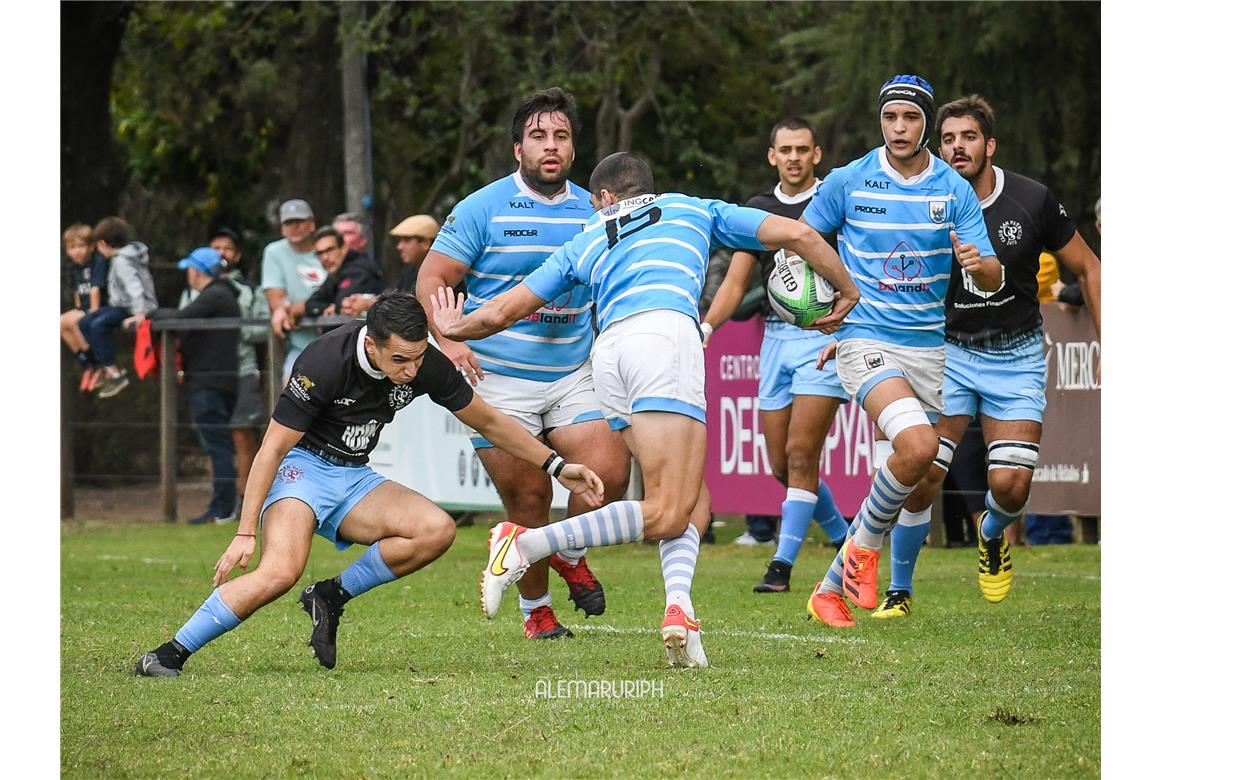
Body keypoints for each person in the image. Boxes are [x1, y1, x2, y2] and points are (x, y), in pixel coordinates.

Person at [434, 151, 858, 667]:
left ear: (605, 199)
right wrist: (848, 288)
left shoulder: (587, 237)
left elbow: (503, 309)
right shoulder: (693, 208)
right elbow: (801, 236)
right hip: (663, 337)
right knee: (666, 511)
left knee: (690, 502)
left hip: (609, 356)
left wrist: (452, 328)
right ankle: (525, 545)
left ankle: (679, 611)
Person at [134, 292, 605, 677]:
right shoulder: (323, 361)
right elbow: (272, 450)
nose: (411, 370)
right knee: (280, 571)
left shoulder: (422, 362)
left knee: (435, 529)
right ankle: (168, 653)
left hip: (354, 475)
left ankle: (330, 596)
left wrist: (556, 466)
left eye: (418, 357)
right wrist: (243, 533)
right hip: (302, 469)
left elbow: (491, 421)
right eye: (401, 359)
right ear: (372, 344)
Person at [862, 94, 1103, 618]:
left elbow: (1089, 268)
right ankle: (899, 592)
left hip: (1014, 354)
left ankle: (991, 533)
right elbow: (881, 271)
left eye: (968, 137)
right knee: (922, 470)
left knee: (1010, 486)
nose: (956, 147)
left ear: (989, 145)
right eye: (947, 138)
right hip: (943, 352)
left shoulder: (1031, 200)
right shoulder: (918, 199)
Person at [415, 87, 631, 641]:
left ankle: (569, 553)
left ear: (574, 149)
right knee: (530, 500)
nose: (550, 146)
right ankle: (536, 611)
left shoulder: (595, 208)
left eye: (560, 136)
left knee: (608, 475)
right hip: (496, 380)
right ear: (518, 149)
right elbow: (432, 279)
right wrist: (451, 339)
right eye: (538, 136)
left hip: (571, 373)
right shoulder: (481, 207)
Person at [801, 75, 1003, 628]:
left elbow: (989, 275)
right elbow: (802, 243)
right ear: (880, 120)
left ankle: (833, 586)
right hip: (865, 338)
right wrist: (817, 303)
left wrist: (979, 267)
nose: (898, 128)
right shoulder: (848, 181)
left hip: (928, 350)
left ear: (926, 126)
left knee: (919, 477)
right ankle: (863, 557)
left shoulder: (953, 190)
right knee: (914, 449)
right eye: (890, 117)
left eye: (910, 119)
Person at [701, 117, 851, 592]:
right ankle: (847, 543)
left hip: (822, 339)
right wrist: (707, 325)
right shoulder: (759, 210)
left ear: (816, 154)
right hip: (774, 341)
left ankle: (780, 568)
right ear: (772, 156)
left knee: (802, 455)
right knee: (780, 466)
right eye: (784, 150)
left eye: (802, 149)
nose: (793, 157)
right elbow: (735, 282)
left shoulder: (834, 201)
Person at [131, 248, 243, 524]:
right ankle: (222, 507)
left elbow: (180, 317)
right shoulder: (223, 294)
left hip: (208, 382)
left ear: (197, 270)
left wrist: (150, 314)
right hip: (217, 381)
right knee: (218, 445)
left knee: (217, 446)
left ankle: (222, 509)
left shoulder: (215, 295)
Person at [208, 228, 269, 514]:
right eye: (215, 247)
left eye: (227, 248)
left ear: (237, 255)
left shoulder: (249, 289)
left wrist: (229, 333)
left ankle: (246, 500)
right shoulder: (195, 286)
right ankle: (220, 501)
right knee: (213, 437)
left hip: (243, 370)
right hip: (207, 373)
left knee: (243, 435)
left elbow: (262, 327)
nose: (221, 253)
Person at [83, 216, 157, 399]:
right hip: (122, 304)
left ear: (102, 244)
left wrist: (140, 313)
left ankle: (115, 374)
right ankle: (103, 366)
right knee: (85, 322)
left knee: (97, 325)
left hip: (133, 306)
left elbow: (135, 287)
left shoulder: (122, 261)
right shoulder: (121, 257)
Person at [263, 199, 327, 379]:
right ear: (282, 228)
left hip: (339, 340)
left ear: (311, 225)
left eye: (299, 221)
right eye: (288, 223)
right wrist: (281, 309)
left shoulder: (326, 247)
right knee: (290, 392)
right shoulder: (274, 252)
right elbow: (277, 302)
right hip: (300, 344)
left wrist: (302, 306)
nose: (294, 227)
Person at [59, 223, 110, 392]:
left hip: (100, 309)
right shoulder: (78, 268)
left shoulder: (98, 262)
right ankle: (88, 364)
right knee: (61, 323)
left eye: (81, 246)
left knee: (74, 322)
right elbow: (78, 292)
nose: (76, 251)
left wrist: (92, 314)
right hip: (85, 309)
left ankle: (98, 364)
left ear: (91, 246)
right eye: (72, 247)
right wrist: (78, 308)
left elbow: (95, 289)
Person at [303, 226, 385, 318]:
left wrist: (336, 308)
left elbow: (347, 303)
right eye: (320, 253)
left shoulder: (359, 268)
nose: (325, 258)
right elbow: (310, 305)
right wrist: (329, 307)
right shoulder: (336, 272)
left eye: (330, 250)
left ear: (344, 248)